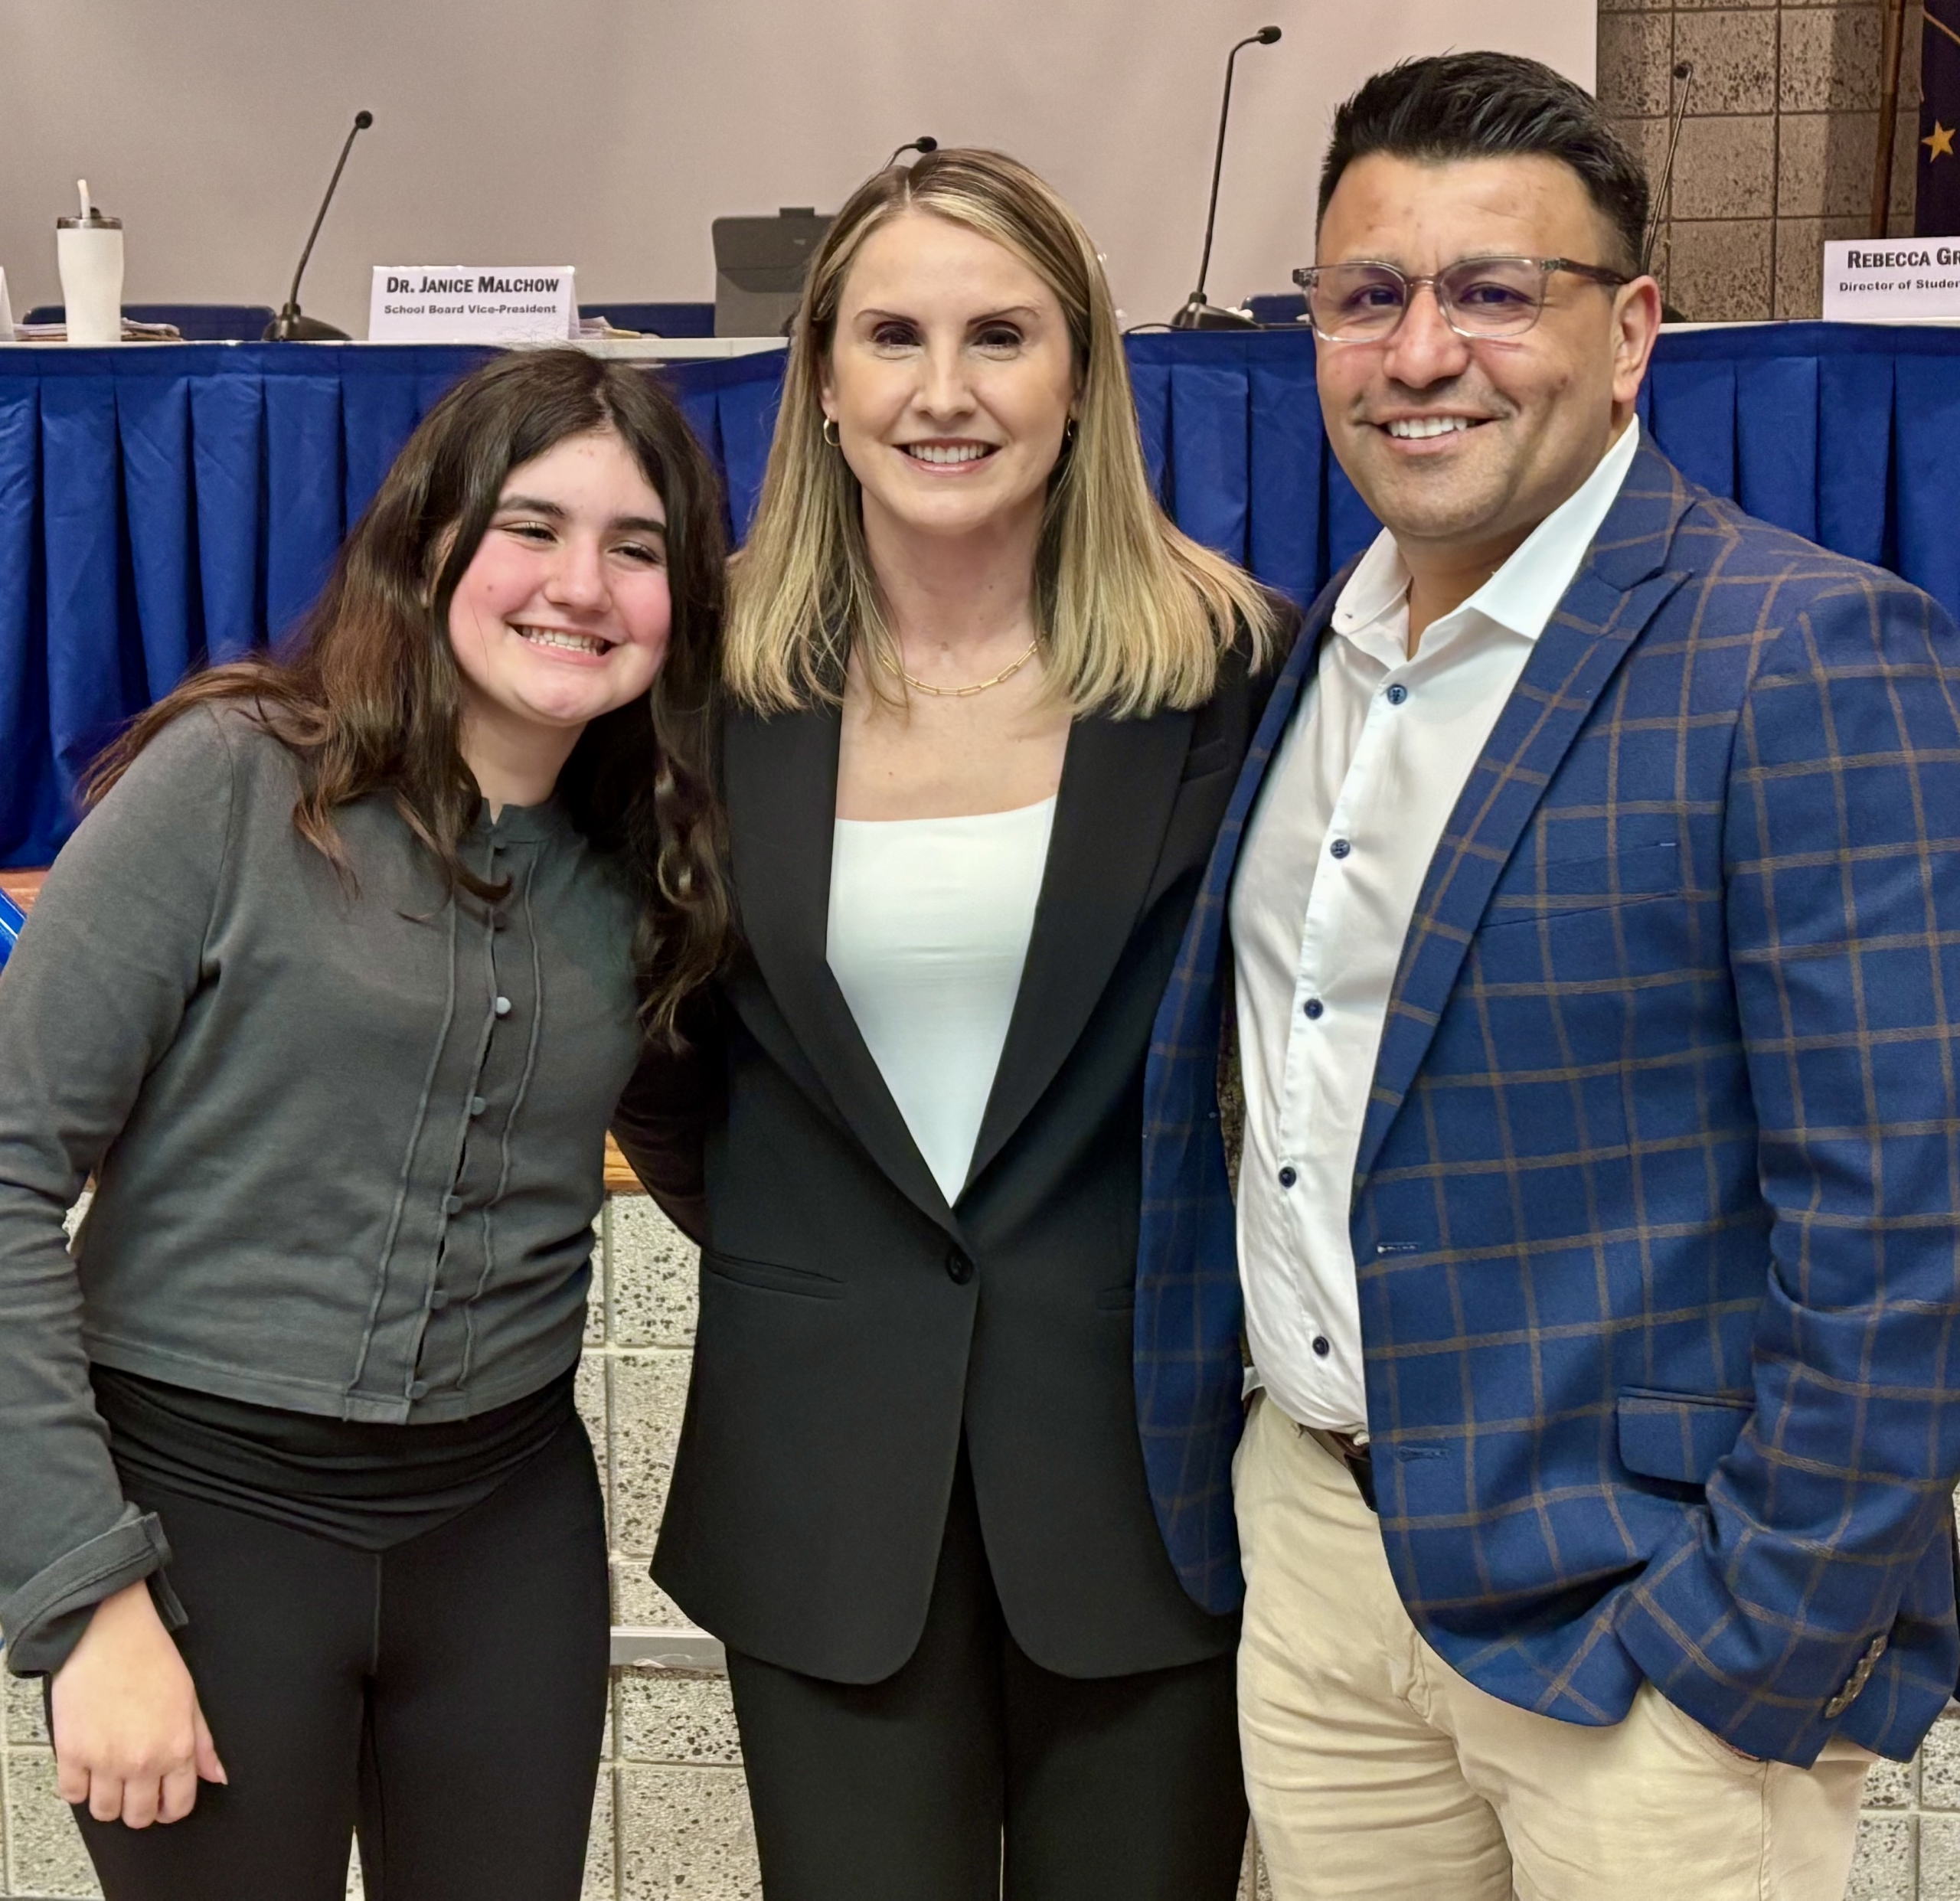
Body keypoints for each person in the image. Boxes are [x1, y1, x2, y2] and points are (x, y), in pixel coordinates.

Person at [1136, 51, 1960, 1901]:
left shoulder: (1801, 652)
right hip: (1325, 1579)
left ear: (1630, 331)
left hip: (1644, 1637)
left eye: (1495, 292)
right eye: (1367, 297)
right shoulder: (1309, 658)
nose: (1422, 349)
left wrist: (1754, 1649)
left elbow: (1904, 1222)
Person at [612, 146, 1287, 1900]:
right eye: (891, 335)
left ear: (1080, 376)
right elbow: (672, 1080)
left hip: (1141, 1501)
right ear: (820, 380)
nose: (943, 391)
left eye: (1000, 335)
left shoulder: (1229, 675)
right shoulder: (700, 688)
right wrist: (839, 1255)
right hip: (824, 1490)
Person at [0, 348, 729, 1901]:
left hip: (505, 1540)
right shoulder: (232, 781)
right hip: (209, 1534)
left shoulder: (648, 863)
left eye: (637, 547)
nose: (580, 585)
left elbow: (708, 1143)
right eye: (531, 527)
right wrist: (83, 1601)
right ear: (431, 542)